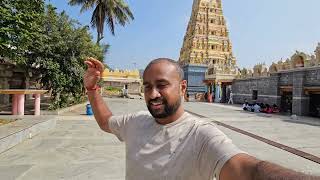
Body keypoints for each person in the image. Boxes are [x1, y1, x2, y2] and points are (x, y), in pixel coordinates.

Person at [84, 57, 320, 180]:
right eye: (147, 86)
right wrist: (92, 90)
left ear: (183, 87)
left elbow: (249, 171)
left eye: (162, 85)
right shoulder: (135, 122)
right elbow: (106, 122)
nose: (153, 94)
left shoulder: (202, 135)